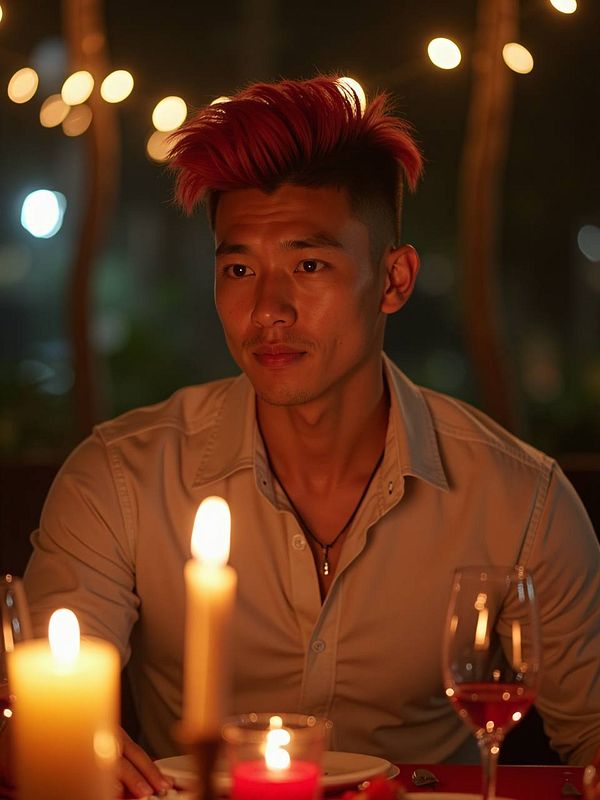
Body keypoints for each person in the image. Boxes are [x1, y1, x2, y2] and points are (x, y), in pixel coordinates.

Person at [16, 76, 600, 797]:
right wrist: (55, 743)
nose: (268, 309)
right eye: (239, 269)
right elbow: (41, 702)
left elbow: (595, 735)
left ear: (393, 280)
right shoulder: (122, 477)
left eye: (309, 264)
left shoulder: (521, 501)